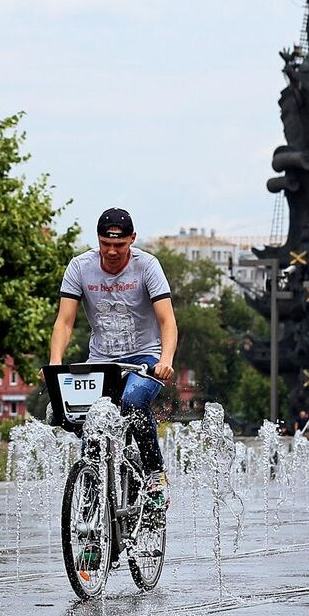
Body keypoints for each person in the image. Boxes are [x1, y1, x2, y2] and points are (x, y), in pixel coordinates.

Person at [49, 207, 178, 509]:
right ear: (98, 240)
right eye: (106, 244)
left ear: (132, 239)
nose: (112, 251)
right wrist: (55, 363)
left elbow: (167, 320)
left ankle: (154, 473)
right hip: (102, 362)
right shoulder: (80, 267)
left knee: (133, 401)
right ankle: (91, 529)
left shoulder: (147, 266)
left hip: (144, 359)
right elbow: (64, 321)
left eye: (119, 245)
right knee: (91, 431)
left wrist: (166, 359)